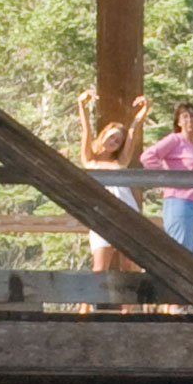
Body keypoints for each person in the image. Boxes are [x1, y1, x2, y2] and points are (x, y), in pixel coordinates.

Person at [72, 91, 138, 274]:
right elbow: (86, 130)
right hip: (101, 212)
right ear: (104, 135)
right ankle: (85, 304)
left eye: (118, 141)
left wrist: (143, 111)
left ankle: (130, 304)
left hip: (125, 212)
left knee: (129, 267)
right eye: (111, 136)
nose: (113, 141)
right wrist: (82, 105)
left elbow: (132, 133)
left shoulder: (120, 162)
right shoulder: (90, 161)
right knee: (99, 268)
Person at [140, 99, 193, 259]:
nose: (189, 120)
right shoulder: (175, 140)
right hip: (180, 201)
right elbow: (148, 157)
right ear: (178, 122)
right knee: (181, 252)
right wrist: (167, 176)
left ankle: (191, 284)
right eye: (184, 116)